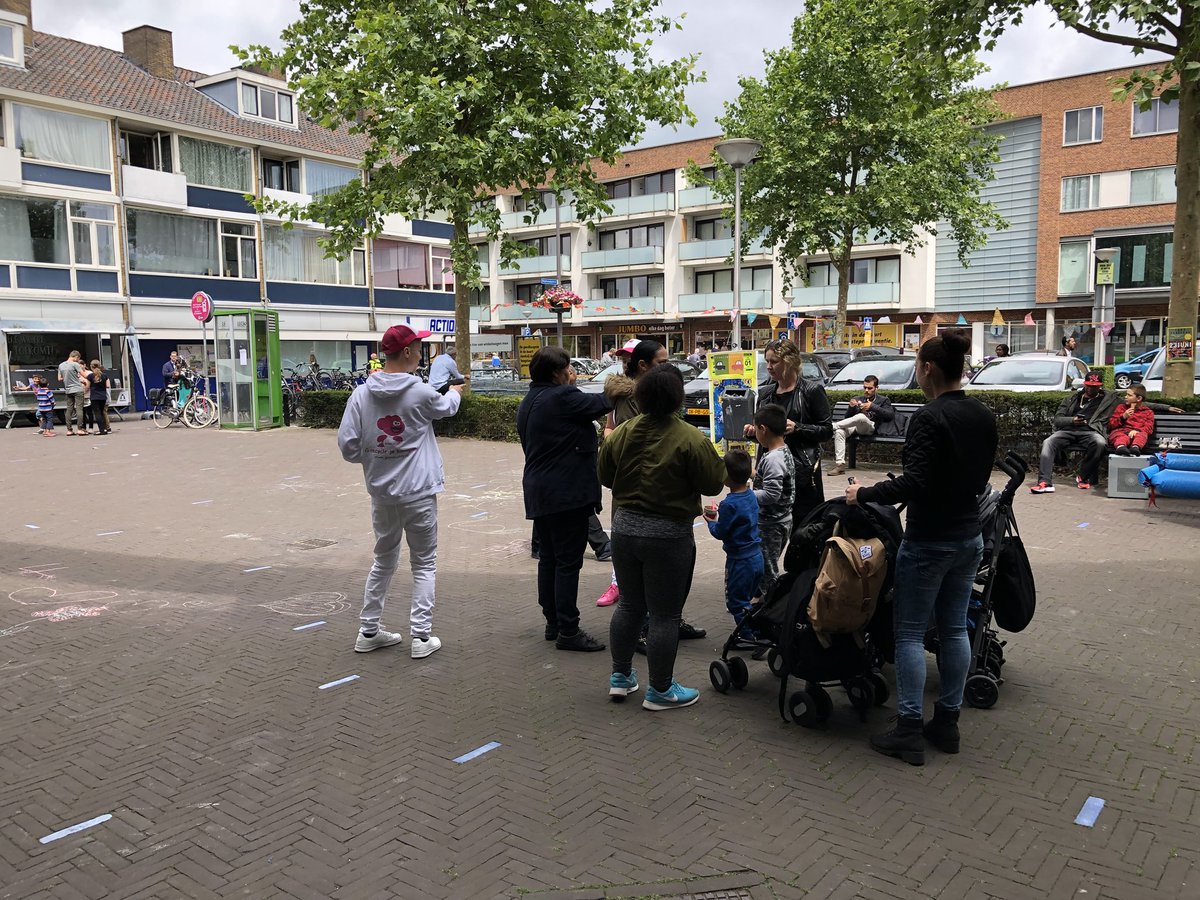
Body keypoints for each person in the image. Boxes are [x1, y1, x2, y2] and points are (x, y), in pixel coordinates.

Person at [847, 329, 998, 766]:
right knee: (953, 629)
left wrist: (864, 494)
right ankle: (947, 722)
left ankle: (909, 728)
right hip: (969, 537)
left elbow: (915, 482)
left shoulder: (930, 418)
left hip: (930, 538)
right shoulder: (982, 415)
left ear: (928, 368)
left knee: (911, 632)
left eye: (917, 364)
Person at [600, 365, 726, 709]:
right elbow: (713, 483)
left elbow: (606, 475)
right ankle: (660, 689)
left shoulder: (623, 431)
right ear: (678, 397)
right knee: (665, 615)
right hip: (668, 535)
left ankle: (621, 676)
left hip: (624, 529)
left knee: (629, 604)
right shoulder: (691, 438)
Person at [338, 324, 463, 660]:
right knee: (423, 563)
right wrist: (456, 392)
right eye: (419, 348)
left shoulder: (361, 395)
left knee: (384, 560)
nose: (422, 353)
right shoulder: (420, 392)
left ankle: (368, 630)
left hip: (382, 494)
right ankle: (421, 637)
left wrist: (374, 458)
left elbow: (348, 446)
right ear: (406, 352)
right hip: (419, 492)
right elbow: (447, 407)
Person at [518, 346, 613, 651]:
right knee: (568, 562)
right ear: (557, 372)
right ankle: (569, 630)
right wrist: (623, 385)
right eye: (569, 367)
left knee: (549, 558)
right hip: (564, 493)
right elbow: (602, 402)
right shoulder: (560, 396)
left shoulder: (530, 399)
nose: (572, 372)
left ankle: (553, 622)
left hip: (540, 490)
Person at [744, 338, 832, 523]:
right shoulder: (766, 393)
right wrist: (754, 433)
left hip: (802, 473)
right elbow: (766, 436)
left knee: (802, 532)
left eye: (774, 361)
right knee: (767, 530)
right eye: (767, 361)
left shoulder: (811, 391)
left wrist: (798, 428)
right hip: (770, 471)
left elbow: (826, 431)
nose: (769, 366)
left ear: (790, 361)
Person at [704, 449, 762, 637]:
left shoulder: (729, 504)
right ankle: (757, 628)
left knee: (736, 602)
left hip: (740, 561)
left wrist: (711, 521)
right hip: (756, 557)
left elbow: (721, 532)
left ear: (726, 478)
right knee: (749, 599)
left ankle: (749, 636)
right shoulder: (751, 495)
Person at [751, 403, 795, 602]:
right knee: (767, 564)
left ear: (763, 429)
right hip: (782, 520)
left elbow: (771, 494)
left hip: (771, 524)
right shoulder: (784, 451)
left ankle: (771, 609)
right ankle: (762, 600)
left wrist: (746, 495)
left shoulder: (773, 459)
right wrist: (751, 475)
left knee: (769, 571)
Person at [827, 375, 897, 476]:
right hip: (855, 427)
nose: (866, 390)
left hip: (870, 427)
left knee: (860, 417)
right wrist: (851, 407)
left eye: (870, 388)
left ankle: (831, 426)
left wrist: (872, 406)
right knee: (839, 432)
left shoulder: (883, 400)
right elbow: (848, 418)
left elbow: (890, 415)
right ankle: (840, 466)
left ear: (876, 388)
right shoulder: (857, 399)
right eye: (865, 387)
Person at [1108, 385, 1155, 456]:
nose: (1125, 397)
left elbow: (1149, 427)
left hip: (1136, 434)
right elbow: (1111, 425)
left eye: (1129, 395)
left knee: (1142, 435)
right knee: (1119, 436)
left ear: (1139, 398)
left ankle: (1135, 448)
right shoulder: (1121, 408)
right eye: (1126, 394)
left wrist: (1137, 430)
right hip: (1121, 431)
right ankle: (1120, 447)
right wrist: (1123, 417)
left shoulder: (1148, 412)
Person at [57, 350, 86, 436]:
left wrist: (67, 377)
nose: (78, 360)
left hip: (68, 390)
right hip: (77, 389)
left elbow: (59, 378)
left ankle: (69, 430)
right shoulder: (75, 364)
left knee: (69, 409)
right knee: (79, 408)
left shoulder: (61, 365)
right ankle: (80, 429)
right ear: (76, 357)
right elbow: (84, 375)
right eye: (78, 359)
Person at [87, 361, 111, 435]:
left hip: (94, 397)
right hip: (103, 396)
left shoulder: (90, 376)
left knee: (97, 414)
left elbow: (87, 387)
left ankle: (101, 430)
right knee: (101, 413)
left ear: (91, 367)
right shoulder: (105, 376)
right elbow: (108, 386)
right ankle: (104, 429)